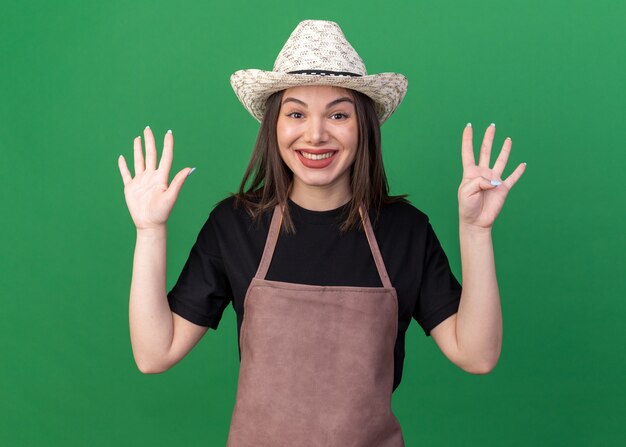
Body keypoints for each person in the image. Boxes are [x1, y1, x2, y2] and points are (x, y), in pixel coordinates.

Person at [118, 20, 525, 447]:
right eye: (296, 113)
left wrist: (476, 231)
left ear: (363, 125)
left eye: (337, 114)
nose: (315, 134)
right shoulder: (236, 225)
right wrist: (149, 231)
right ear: (274, 126)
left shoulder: (405, 230)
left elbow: (477, 355)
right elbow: (154, 353)